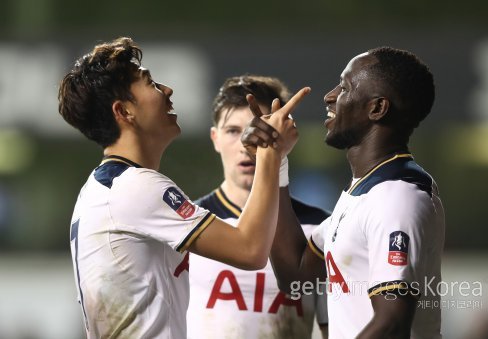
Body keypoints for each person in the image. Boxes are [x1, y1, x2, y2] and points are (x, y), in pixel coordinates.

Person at [57, 37, 310, 338]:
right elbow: (251, 250)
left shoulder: (103, 187)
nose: (167, 90)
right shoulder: (135, 187)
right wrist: (270, 151)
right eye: (150, 83)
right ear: (124, 112)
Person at [242, 47, 445, 338]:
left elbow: (392, 323)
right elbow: (296, 275)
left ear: (377, 108)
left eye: (345, 86)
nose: (330, 95)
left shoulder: (397, 197)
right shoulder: (367, 190)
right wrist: (274, 162)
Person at [187, 75, 329, 339]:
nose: (247, 143)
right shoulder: (186, 226)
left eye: (261, 129)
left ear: (286, 136)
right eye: (233, 131)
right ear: (215, 139)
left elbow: (333, 327)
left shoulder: (321, 228)